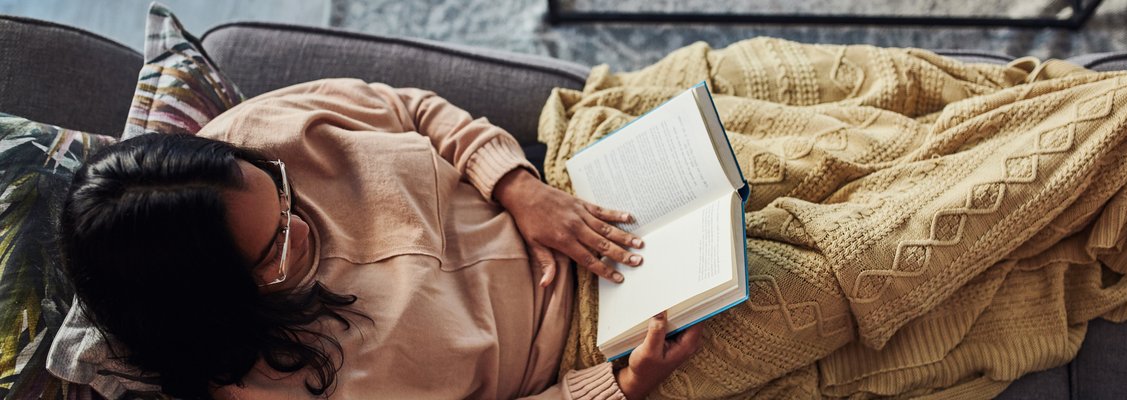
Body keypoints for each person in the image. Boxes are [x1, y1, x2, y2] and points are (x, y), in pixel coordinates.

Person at [58, 78, 703, 399]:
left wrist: (518, 189)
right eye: (276, 250)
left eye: (280, 192)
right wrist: (614, 388)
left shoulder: (257, 130)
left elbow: (412, 109)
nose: (302, 226)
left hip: (566, 182)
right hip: (583, 351)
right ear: (217, 307)